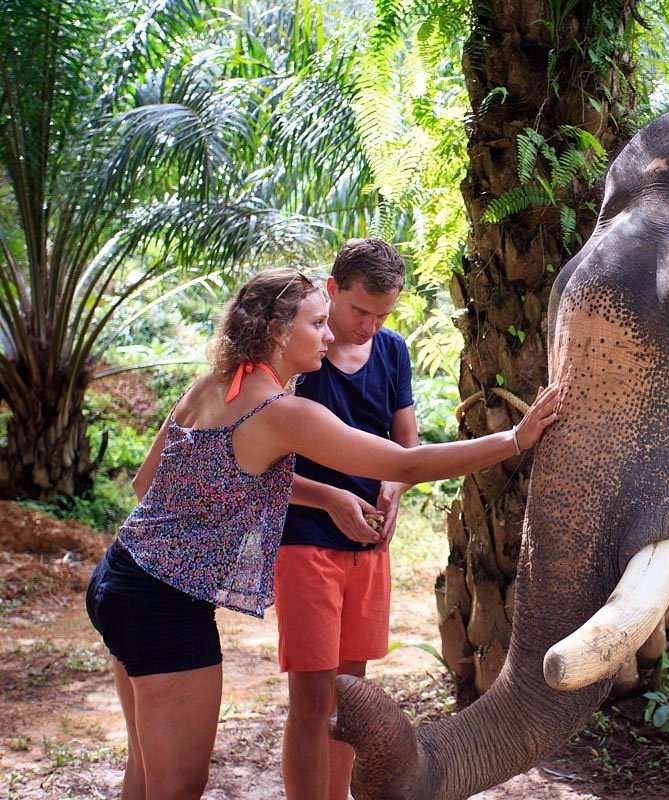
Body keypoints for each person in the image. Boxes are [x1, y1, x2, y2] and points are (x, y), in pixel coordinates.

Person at [84, 267, 559, 799]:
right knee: (177, 788)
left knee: (145, 774)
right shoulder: (282, 412)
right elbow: (406, 463)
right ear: (278, 331)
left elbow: (146, 484)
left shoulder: (212, 385)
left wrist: (322, 496)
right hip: (164, 607)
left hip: (118, 578)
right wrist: (515, 440)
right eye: (316, 323)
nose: (329, 334)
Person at [274, 239, 415, 800]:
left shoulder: (393, 350)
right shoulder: (298, 354)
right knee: (313, 701)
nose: (369, 326)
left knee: (350, 698)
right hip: (305, 541)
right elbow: (258, 463)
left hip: (369, 546)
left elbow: (406, 446)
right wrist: (331, 498)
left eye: (382, 315)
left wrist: (394, 489)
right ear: (332, 290)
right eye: (360, 311)